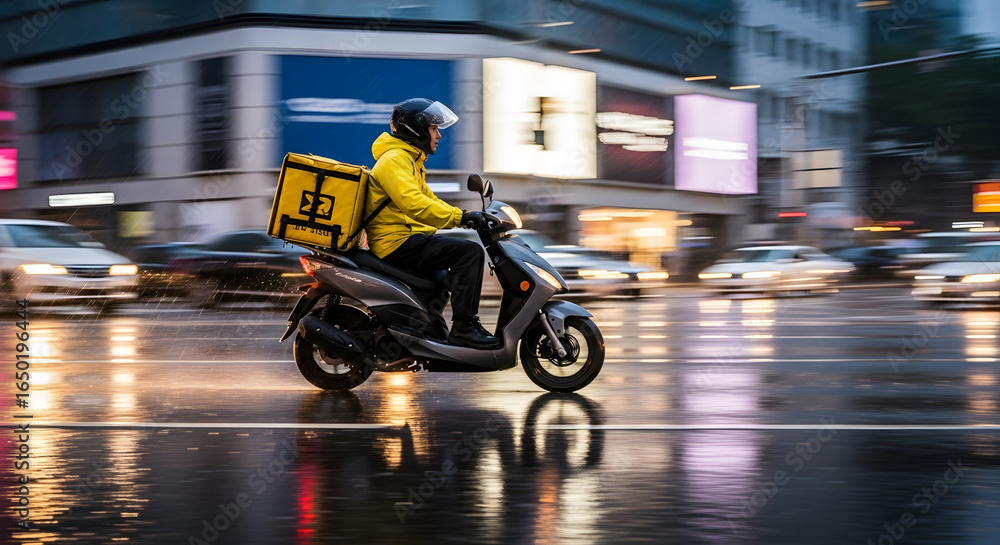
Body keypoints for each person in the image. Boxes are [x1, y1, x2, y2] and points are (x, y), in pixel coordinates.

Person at [364, 98, 499, 349]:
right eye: (434, 128)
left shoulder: (411, 161)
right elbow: (414, 203)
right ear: (417, 129)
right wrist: (461, 218)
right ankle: (465, 327)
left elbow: (429, 200)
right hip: (396, 242)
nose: (438, 135)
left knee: (440, 278)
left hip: (405, 237)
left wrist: (466, 215)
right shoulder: (394, 160)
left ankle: (429, 334)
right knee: (469, 253)